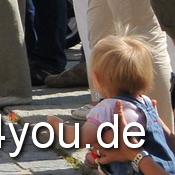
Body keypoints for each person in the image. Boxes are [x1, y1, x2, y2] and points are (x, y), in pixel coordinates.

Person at [68, 36, 175, 175]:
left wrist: (56, 125)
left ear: (97, 78)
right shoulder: (146, 103)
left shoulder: (106, 108)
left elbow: (82, 138)